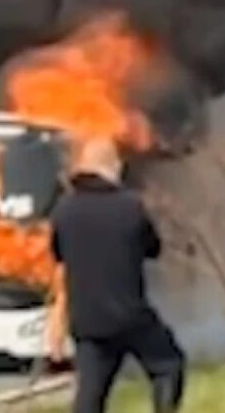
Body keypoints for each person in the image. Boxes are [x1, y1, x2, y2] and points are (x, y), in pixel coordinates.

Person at [47, 138, 186, 413]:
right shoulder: (131, 207)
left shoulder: (64, 211)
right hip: (130, 317)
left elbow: (61, 266)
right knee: (168, 364)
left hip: (87, 323)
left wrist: (56, 325)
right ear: (114, 168)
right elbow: (153, 247)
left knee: (90, 396)